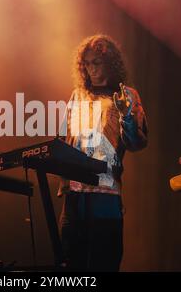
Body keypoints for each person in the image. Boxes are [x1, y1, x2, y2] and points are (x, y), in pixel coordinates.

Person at [58, 34, 148, 271]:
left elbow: (137, 143)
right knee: (70, 265)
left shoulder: (127, 95)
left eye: (96, 62)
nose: (91, 69)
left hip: (105, 194)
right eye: (87, 64)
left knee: (104, 263)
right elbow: (65, 139)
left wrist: (126, 115)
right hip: (73, 196)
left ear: (110, 63)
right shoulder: (77, 96)